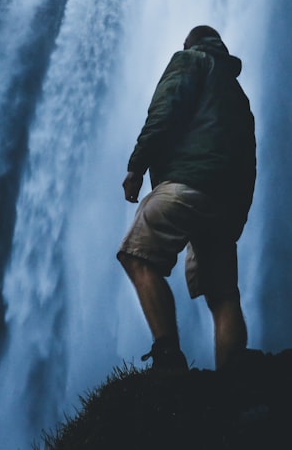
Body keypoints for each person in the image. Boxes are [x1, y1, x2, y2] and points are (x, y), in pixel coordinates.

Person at [117, 25, 256, 372]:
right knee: (223, 294)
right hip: (224, 203)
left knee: (137, 255)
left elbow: (164, 111)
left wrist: (137, 167)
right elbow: (249, 162)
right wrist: (237, 217)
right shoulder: (240, 98)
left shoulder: (190, 60)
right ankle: (234, 377)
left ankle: (167, 357)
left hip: (186, 184)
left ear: (190, 44)